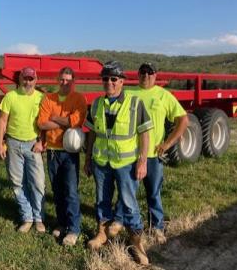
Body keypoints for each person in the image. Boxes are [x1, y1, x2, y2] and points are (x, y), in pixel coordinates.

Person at [107, 62, 188, 244]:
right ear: (137, 75)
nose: (146, 75)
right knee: (126, 190)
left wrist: (167, 144)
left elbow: (183, 119)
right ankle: (119, 220)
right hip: (130, 154)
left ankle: (157, 226)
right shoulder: (128, 93)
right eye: (142, 72)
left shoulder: (163, 96)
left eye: (150, 72)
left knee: (153, 191)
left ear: (155, 75)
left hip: (152, 155)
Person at [84, 61, 153, 265]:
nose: (109, 82)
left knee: (129, 204)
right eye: (105, 79)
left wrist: (142, 162)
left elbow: (145, 134)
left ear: (122, 81)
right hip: (101, 163)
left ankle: (136, 244)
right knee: (101, 200)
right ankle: (102, 234)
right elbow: (92, 134)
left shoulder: (135, 103)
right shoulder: (97, 104)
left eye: (114, 79)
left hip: (126, 164)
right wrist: (87, 159)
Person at [37, 67, 87, 246]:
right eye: (62, 80)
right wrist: (64, 121)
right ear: (57, 80)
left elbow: (76, 121)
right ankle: (62, 223)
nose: (64, 83)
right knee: (57, 191)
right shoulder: (49, 98)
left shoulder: (79, 99)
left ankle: (73, 229)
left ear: (73, 81)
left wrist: (55, 118)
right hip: (52, 151)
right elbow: (42, 123)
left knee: (71, 191)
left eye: (68, 80)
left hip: (69, 152)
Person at [0, 67, 46, 233]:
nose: (28, 82)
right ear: (20, 79)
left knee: (38, 182)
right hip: (14, 143)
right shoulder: (11, 96)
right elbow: (2, 121)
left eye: (31, 79)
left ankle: (39, 218)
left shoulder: (41, 98)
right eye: (25, 78)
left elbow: (46, 123)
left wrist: (42, 141)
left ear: (36, 80)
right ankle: (27, 217)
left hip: (33, 145)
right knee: (17, 182)